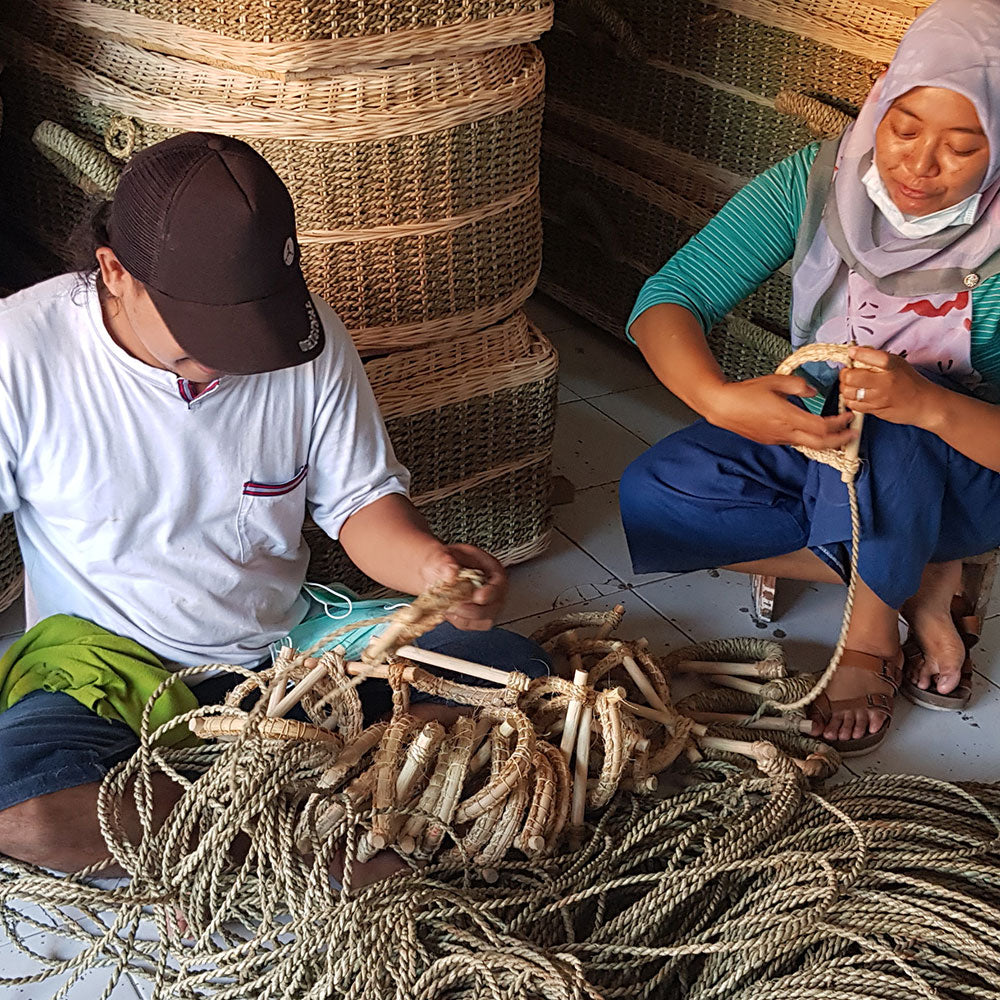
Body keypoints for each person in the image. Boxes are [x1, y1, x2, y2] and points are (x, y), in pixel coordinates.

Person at [0, 132, 548, 876]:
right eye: (200, 344)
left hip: (279, 658)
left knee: (510, 672)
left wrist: (430, 567)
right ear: (114, 271)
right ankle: (305, 834)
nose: (229, 363)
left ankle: (225, 814)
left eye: (249, 337)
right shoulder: (21, 352)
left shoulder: (308, 340)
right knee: (26, 806)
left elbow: (362, 504)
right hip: (105, 671)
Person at [619, 0, 1000, 755]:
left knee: (889, 406)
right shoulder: (820, 179)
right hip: (829, 449)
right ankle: (919, 581)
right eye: (904, 128)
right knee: (654, 497)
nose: (920, 166)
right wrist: (719, 399)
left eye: (962, 146)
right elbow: (668, 299)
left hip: (969, 466)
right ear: (880, 102)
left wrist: (927, 403)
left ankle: (869, 635)